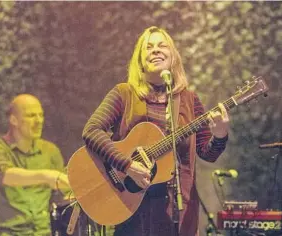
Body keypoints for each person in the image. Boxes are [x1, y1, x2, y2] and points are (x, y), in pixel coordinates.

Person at [82, 26, 229, 236]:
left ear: (174, 57)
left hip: (177, 212)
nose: (156, 50)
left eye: (162, 46)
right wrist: (128, 165)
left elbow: (208, 154)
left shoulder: (189, 100)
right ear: (140, 60)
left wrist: (220, 135)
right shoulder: (124, 94)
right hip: (131, 208)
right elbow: (91, 131)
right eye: (148, 47)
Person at [0, 94, 71, 236]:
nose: (39, 121)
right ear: (13, 120)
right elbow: (4, 175)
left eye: (41, 115)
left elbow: (62, 196)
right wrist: (46, 176)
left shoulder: (50, 151)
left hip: (45, 232)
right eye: (31, 116)